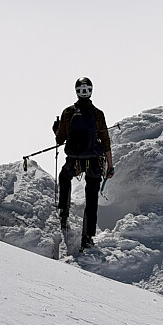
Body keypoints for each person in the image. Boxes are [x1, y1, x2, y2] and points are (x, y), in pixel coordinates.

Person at [53, 76, 114, 249]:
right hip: (94, 161)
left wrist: (56, 128)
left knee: (64, 177)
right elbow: (106, 141)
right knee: (91, 198)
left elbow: (59, 140)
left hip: (74, 160)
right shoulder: (98, 114)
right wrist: (110, 165)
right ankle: (87, 237)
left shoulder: (67, 113)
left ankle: (63, 213)